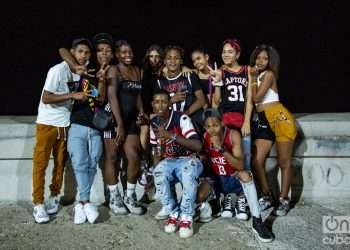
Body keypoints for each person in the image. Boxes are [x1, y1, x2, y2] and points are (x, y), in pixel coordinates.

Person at [32, 38, 91, 223]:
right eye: (80, 51)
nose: (84, 55)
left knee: (60, 165)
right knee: (40, 164)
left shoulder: (82, 72)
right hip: (47, 124)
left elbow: (90, 94)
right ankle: (38, 203)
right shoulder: (58, 70)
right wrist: (72, 95)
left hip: (65, 125)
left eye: (87, 52)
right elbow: (46, 98)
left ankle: (54, 197)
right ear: (73, 52)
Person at [202, 109, 273, 242]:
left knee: (245, 174)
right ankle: (224, 199)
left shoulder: (232, 135)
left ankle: (257, 222)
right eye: (208, 127)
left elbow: (240, 165)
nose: (212, 130)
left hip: (233, 177)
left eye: (216, 125)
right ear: (205, 127)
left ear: (222, 123)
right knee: (200, 195)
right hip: (219, 179)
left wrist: (222, 149)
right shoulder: (205, 137)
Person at [249, 44, 297, 216]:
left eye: (265, 58)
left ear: (270, 61)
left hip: (279, 118)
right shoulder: (256, 74)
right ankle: (267, 195)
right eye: (258, 57)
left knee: (284, 162)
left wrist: (253, 78)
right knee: (256, 160)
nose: (260, 61)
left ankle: (284, 199)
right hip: (262, 120)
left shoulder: (268, 75)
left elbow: (256, 98)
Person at [209, 39, 254, 218]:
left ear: (237, 54)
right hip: (226, 123)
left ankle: (243, 198)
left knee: (245, 160)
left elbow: (249, 99)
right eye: (223, 52)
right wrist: (218, 82)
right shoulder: (221, 71)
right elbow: (216, 102)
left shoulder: (247, 70)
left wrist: (247, 122)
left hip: (242, 121)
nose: (225, 54)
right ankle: (230, 196)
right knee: (225, 160)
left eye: (229, 52)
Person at [151, 89, 203, 238]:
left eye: (164, 102)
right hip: (170, 161)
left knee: (187, 171)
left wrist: (172, 136)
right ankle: (173, 212)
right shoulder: (153, 122)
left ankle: (186, 216)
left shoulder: (181, 118)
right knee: (159, 172)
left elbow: (198, 146)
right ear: (152, 104)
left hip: (190, 159)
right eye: (157, 102)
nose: (160, 105)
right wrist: (157, 172)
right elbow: (155, 150)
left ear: (169, 104)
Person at [103, 40, 145, 215]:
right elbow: (111, 97)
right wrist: (119, 125)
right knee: (112, 156)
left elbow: (137, 95)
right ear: (117, 54)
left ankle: (130, 195)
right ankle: (114, 197)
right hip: (112, 120)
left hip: (130, 121)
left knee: (134, 156)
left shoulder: (136, 70)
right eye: (124, 53)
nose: (128, 55)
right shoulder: (114, 70)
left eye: (130, 52)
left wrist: (142, 111)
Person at [155, 45, 207, 134]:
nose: (172, 61)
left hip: (192, 120)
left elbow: (202, 100)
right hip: (170, 123)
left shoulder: (189, 76)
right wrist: (171, 100)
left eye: (176, 58)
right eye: (169, 58)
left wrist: (185, 114)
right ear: (164, 61)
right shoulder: (160, 82)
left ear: (181, 61)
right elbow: (157, 108)